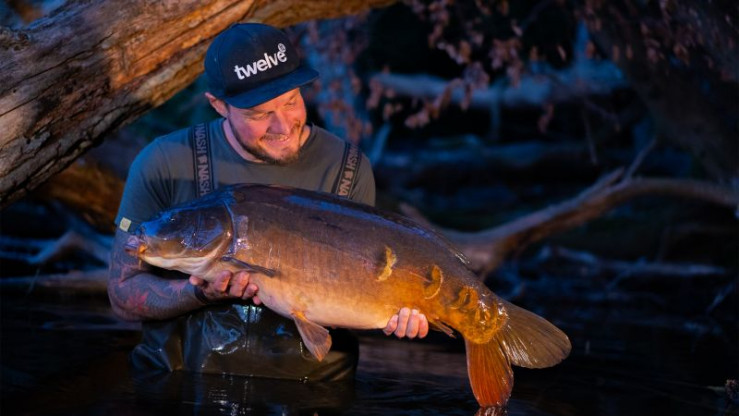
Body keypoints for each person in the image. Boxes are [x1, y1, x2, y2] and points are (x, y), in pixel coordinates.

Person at [107, 23, 428, 382]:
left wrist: (398, 313)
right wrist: (199, 293)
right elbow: (121, 295)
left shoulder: (348, 168)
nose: (283, 126)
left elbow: (361, 293)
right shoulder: (163, 163)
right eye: (259, 114)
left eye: (291, 102)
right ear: (219, 105)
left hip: (309, 390)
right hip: (182, 382)